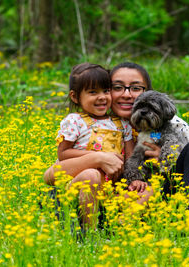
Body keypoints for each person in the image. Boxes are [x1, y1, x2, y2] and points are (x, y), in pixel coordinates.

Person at [44, 62, 189, 204]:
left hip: (165, 194)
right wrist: (99, 158)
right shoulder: (102, 125)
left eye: (136, 88)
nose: (127, 94)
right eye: (117, 87)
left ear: (148, 92)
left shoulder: (173, 125)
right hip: (115, 197)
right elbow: (51, 174)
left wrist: (171, 161)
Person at [47, 62, 134, 227]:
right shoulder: (75, 121)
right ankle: (89, 233)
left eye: (106, 91)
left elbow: (131, 159)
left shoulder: (122, 124)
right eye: (93, 92)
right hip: (80, 184)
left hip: (112, 187)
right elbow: (63, 154)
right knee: (91, 175)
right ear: (75, 97)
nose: (102, 97)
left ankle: (112, 228)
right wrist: (98, 157)